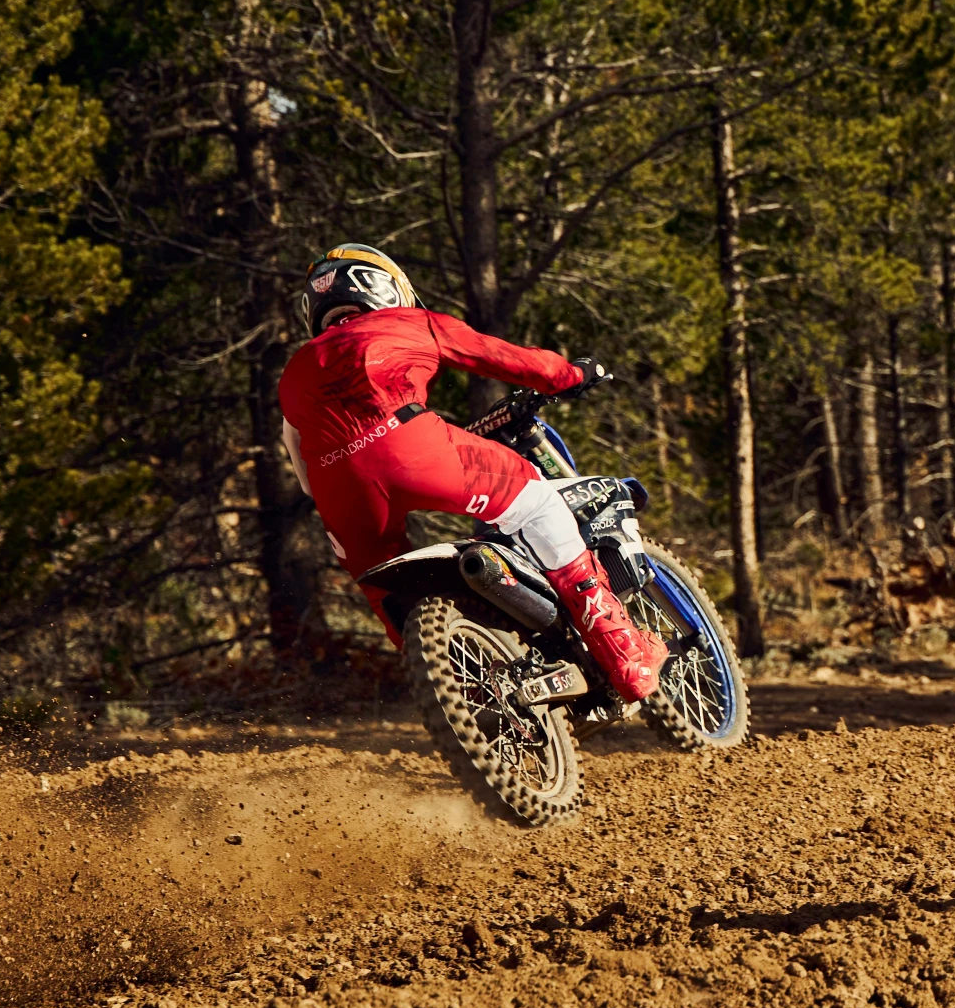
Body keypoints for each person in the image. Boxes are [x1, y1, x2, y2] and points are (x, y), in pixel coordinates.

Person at [277, 243, 669, 701]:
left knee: (387, 594)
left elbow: (295, 449)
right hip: (410, 445)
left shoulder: (295, 369)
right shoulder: (407, 322)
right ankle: (622, 651)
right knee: (537, 498)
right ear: (384, 287)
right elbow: (502, 357)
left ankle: (467, 698)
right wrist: (573, 376)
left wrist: (331, 492)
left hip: (336, 487)